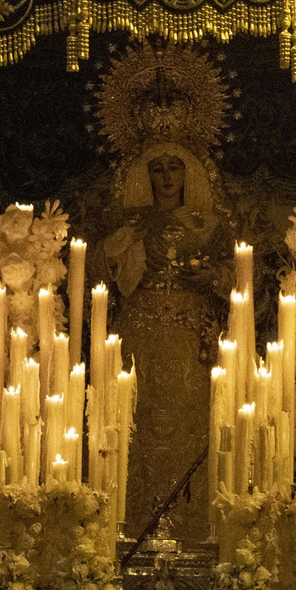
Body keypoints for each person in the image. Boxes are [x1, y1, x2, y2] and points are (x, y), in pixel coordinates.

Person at [92, 140, 233, 545]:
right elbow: (100, 269)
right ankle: (128, 527)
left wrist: (212, 278)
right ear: (146, 175)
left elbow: (237, 270)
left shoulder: (209, 224)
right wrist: (122, 248)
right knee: (136, 420)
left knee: (191, 427)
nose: (168, 177)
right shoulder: (132, 220)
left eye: (175, 168)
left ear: (189, 174)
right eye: (159, 169)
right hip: (139, 333)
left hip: (193, 337)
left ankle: (193, 531)